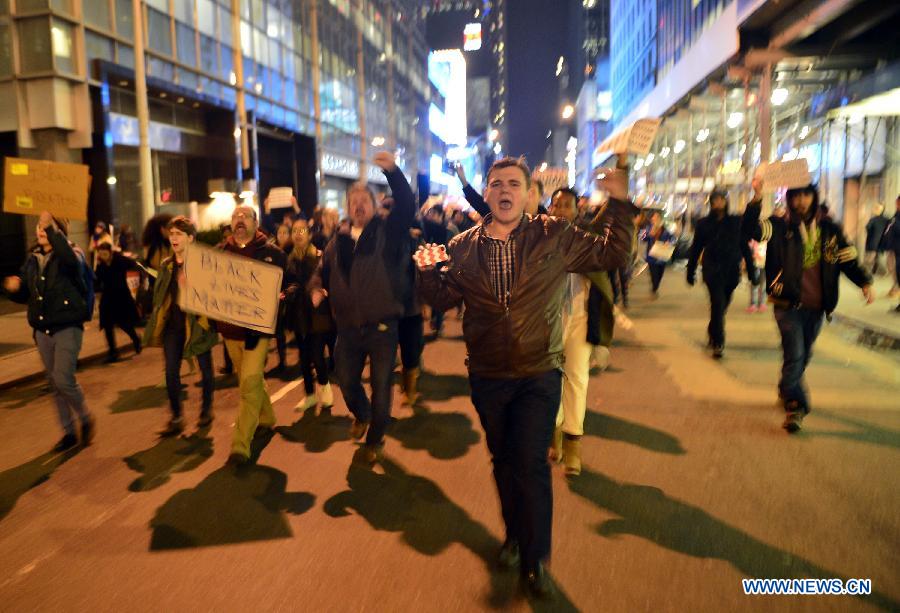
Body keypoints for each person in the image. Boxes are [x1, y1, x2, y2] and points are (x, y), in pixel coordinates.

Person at [417, 157, 634, 598]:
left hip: (539, 372)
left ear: (528, 193)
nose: (504, 190)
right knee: (503, 460)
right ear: (487, 190)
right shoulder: (462, 246)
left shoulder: (554, 234)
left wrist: (621, 202)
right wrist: (424, 273)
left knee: (532, 463)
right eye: (496, 183)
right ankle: (514, 535)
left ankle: (534, 559)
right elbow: (441, 300)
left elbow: (612, 252)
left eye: (514, 183)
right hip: (488, 375)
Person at [309, 152, 416, 464]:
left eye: (363, 200)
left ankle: (375, 440)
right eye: (352, 201)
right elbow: (320, 271)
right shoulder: (336, 241)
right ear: (346, 208)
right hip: (348, 329)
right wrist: (316, 287)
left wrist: (393, 172)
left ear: (373, 205)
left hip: (382, 328)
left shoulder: (389, 231)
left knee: (382, 387)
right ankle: (362, 413)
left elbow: (407, 205)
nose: (358, 205)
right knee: (346, 378)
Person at [744, 181, 873, 432]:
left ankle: (786, 387)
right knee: (795, 354)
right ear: (790, 199)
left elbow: (847, 259)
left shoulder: (830, 229)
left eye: (806, 195)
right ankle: (796, 406)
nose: (801, 201)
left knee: (803, 355)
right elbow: (752, 231)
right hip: (787, 303)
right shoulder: (779, 225)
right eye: (796, 196)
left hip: (817, 306)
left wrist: (864, 282)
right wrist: (757, 197)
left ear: (813, 197)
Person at [3, 212, 96, 451]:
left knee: (64, 379)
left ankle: (85, 417)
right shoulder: (33, 259)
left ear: (59, 231)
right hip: (43, 329)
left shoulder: (72, 253)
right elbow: (27, 295)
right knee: (54, 383)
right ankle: (68, 432)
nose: (41, 229)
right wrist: (15, 288)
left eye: (48, 227)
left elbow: (71, 264)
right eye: (39, 225)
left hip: (67, 326)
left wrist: (53, 231)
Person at [546, 187, 616, 476]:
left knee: (576, 379)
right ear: (550, 208)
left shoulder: (587, 239)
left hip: (580, 317)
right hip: (548, 321)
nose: (561, 210)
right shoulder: (539, 237)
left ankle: (573, 447)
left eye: (567, 205)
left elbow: (610, 216)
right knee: (550, 381)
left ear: (577, 210)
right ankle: (556, 433)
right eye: (557, 205)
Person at [217, 205, 287, 465]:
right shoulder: (220, 254)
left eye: (245, 217)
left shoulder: (272, 254)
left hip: (258, 331)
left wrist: (284, 295)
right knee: (250, 379)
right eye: (235, 216)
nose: (239, 220)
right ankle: (267, 418)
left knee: (248, 382)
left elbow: (290, 282)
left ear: (256, 223)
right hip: (230, 330)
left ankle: (240, 444)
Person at [142, 216, 218, 435]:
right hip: (173, 327)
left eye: (179, 234)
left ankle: (206, 409)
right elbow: (159, 298)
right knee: (171, 373)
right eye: (172, 233)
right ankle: (177, 416)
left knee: (205, 370)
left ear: (191, 239)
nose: (173, 238)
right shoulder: (166, 266)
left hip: (198, 325)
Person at [686, 188, 752, 359]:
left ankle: (712, 330)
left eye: (721, 199)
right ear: (711, 202)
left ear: (726, 201)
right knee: (717, 303)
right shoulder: (703, 224)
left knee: (722, 306)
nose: (718, 203)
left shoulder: (736, 221)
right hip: (712, 269)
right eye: (715, 200)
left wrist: (751, 270)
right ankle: (718, 343)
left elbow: (744, 246)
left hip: (731, 271)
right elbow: (696, 248)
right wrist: (690, 271)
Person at [284, 216, 334, 412]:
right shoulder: (289, 259)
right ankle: (310, 395)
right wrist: (288, 291)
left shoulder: (319, 257)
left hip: (317, 315)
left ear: (309, 234)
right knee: (303, 359)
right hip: (298, 316)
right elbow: (286, 283)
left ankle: (326, 388)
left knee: (317, 355)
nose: (297, 234)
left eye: (302, 230)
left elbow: (327, 281)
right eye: (294, 231)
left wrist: (323, 292)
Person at [94, 243, 142, 363]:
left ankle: (136, 339)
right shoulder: (101, 265)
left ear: (110, 252)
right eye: (100, 254)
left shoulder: (121, 261)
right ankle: (113, 352)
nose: (103, 256)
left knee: (123, 323)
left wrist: (134, 287)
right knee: (107, 325)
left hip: (121, 297)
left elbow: (135, 269)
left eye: (105, 253)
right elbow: (98, 280)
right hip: (108, 299)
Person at [270, 222, 294, 374]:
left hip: (284, 296)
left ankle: (283, 361)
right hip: (271, 296)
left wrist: (285, 292)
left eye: (286, 233)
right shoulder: (271, 250)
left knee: (280, 331)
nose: (282, 236)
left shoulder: (289, 251)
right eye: (280, 233)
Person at [643, 210, 675, 297]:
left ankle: (655, 287)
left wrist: (669, 242)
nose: (656, 219)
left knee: (660, 274)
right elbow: (643, 239)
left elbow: (672, 238)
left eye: (658, 217)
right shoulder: (648, 228)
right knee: (654, 274)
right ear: (651, 219)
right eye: (654, 217)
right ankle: (654, 289)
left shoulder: (665, 229)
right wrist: (649, 235)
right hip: (652, 256)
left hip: (662, 255)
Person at [864, 204, 889, 276]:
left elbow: (867, 228)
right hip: (883, 243)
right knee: (879, 258)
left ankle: (870, 272)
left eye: (877, 208)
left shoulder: (873, 219)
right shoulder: (887, 220)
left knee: (869, 259)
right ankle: (881, 271)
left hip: (873, 242)